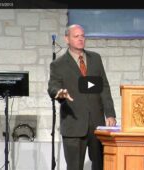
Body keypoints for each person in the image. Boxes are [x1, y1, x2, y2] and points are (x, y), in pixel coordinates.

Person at [47, 24, 116, 170]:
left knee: (101, 166)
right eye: (76, 36)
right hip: (73, 124)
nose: (80, 39)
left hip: (97, 125)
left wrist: (110, 114)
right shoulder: (58, 64)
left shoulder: (95, 59)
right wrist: (59, 93)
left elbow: (104, 87)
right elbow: (53, 86)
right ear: (67, 39)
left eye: (82, 36)